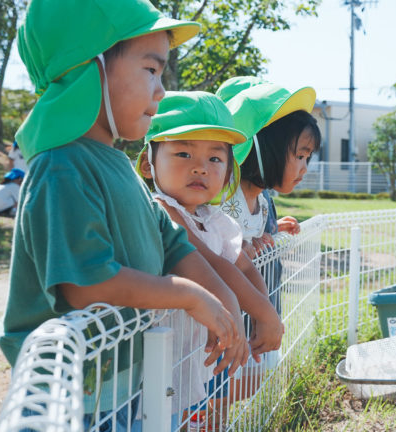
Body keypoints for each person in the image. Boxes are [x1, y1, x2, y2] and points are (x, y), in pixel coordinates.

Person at [0, 1, 248, 430]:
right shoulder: (63, 167)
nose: (161, 90)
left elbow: (172, 244)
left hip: (121, 382)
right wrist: (190, 295)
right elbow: (84, 284)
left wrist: (229, 302)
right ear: (89, 69)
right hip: (74, 399)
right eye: (151, 70)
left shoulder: (111, 162)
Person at [134, 91, 284, 419]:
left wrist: (265, 309)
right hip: (160, 360)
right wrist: (262, 314)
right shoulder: (162, 211)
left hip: (195, 354)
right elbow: (211, 264)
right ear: (148, 163)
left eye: (215, 159)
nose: (200, 168)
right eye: (184, 153)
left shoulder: (214, 219)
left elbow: (243, 266)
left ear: (229, 171)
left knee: (197, 416)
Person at [215, 77, 320, 263]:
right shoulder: (222, 194)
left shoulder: (262, 202)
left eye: (308, 158)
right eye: (300, 156)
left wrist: (269, 231)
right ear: (265, 150)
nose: (304, 169)